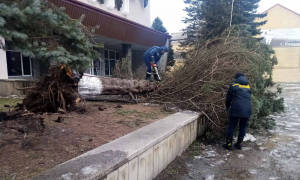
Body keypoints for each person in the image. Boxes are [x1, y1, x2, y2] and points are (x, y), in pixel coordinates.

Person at [222, 73, 252, 150]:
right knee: (243, 128)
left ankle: (228, 145)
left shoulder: (233, 85)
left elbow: (229, 98)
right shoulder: (248, 86)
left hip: (236, 109)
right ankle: (239, 144)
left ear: (236, 78)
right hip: (247, 110)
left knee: (232, 126)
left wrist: (227, 106)